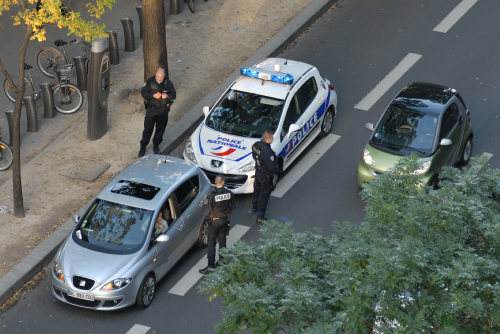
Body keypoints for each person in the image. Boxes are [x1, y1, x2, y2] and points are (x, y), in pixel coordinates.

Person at [199, 175, 235, 274]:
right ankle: (222, 262)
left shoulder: (212, 197)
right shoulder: (230, 193)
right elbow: (232, 206)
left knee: (211, 244)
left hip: (214, 222)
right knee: (222, 241)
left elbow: (206, 212)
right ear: (223, 182)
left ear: (216, 181)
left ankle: (211, 266)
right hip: (224, 220)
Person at [139, 67, 176, 157]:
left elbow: (174, 95)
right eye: (159, 77)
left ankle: (156, 146)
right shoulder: (150, 82)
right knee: (147, 130)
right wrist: (152, 95)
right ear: (156, 74)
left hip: (163, 110)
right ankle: (143, 147)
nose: (160, 79)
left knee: (160, 130)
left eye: (162, 77)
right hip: (152, 110)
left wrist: (167, 95)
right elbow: (143, 93)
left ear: (164, 76)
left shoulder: (168, 83)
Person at [250, 130, 278, 224]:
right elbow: (272, 167)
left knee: (256, 190)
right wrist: (277, 172)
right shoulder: (268, 152)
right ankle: (260, 216)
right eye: (272, 137)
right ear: (269, 139)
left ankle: (254, 207)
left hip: (258, 171)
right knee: (264, 195)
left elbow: (254, 156)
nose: (273, 139)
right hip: (265, 175)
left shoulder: (256, 145)